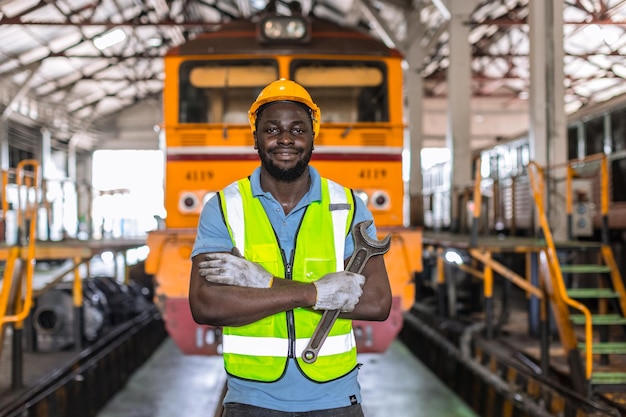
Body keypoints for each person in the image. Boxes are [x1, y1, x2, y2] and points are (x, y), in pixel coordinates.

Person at [188, 78, 392, 417]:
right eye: (272, 129)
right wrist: (315, 293)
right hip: (250, 401)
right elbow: (205, 304)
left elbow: (377, 302)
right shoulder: (224, 206)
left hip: (336, 400)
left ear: (313, 136)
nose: (285, 139)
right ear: (256, 137)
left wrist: (261, 282)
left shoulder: (347, 205)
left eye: (298, 130)